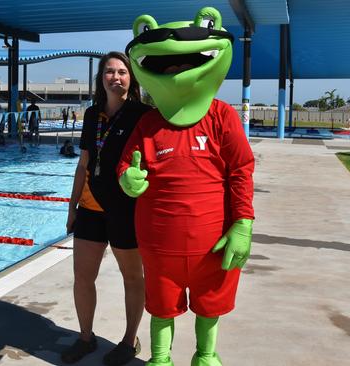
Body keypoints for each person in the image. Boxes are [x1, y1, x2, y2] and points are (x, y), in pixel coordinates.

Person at [118, 8, 254, 366]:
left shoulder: (222, 116)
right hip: (160, 243)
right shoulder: (148, 123)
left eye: (184, 66)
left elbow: (241, 169)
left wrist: (243, 222)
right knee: (162, 305)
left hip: (213, 240)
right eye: (169, 68)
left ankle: (205, 355)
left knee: (211, 304)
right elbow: (126, 163)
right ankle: (161, 357)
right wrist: (127, 179)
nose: (177, 72)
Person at [62, 51, 151, 366]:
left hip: (125, 210)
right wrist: (71, 207)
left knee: (132, 277)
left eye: (122, 72)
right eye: (110, 72)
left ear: (131, 78)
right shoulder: (91, 115)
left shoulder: (144, 115)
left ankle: (129, 341)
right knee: (82, 276)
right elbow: (84, 163)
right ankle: (86, 337)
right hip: (90, 206)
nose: (116, 77)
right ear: (101, 79)